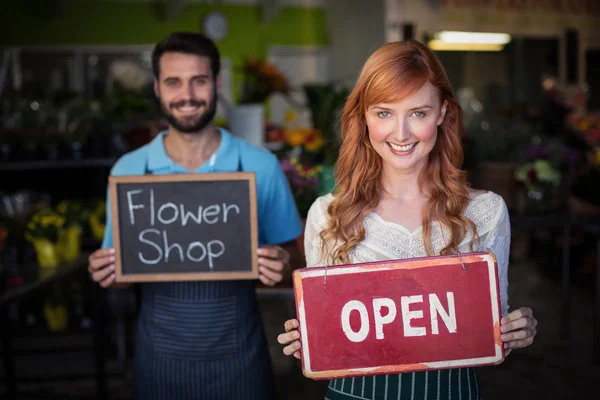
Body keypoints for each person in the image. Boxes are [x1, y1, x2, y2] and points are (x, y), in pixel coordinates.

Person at [277, 40, 538, 399]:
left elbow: (491, 337)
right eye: (384, 113)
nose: (401, 134)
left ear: (443, 113)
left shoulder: (486, 212)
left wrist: (516, 331)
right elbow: (328, 345)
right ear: (364, 117)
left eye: (418, 113)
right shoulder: (328, 214)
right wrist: (308, 339)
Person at [87, 32, 302, 400]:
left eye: (198, 80)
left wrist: (281, 264)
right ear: (157, 87)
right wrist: (107, 272)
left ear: (217, 83)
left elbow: (296, 259)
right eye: (174, 82)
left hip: (242, 362)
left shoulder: (260, 166)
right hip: (158, 363)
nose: (187, 95)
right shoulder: (129, 172)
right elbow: (123, 270)